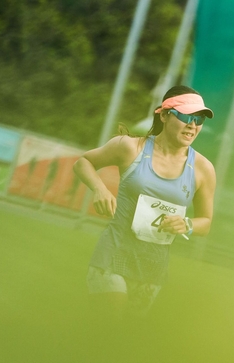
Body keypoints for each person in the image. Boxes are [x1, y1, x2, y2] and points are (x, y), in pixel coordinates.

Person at [73, 85, 216, 318]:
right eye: (185, 116)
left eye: (199, 119)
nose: (193, 125)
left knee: (125, 340)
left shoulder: (203, 169)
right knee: (109, 324)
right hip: (114, 253)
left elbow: (206, 222)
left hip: (152, 267)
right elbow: (83, 162)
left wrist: (186, 224)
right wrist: (100, 189)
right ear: (164, 114)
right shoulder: (130, 147)